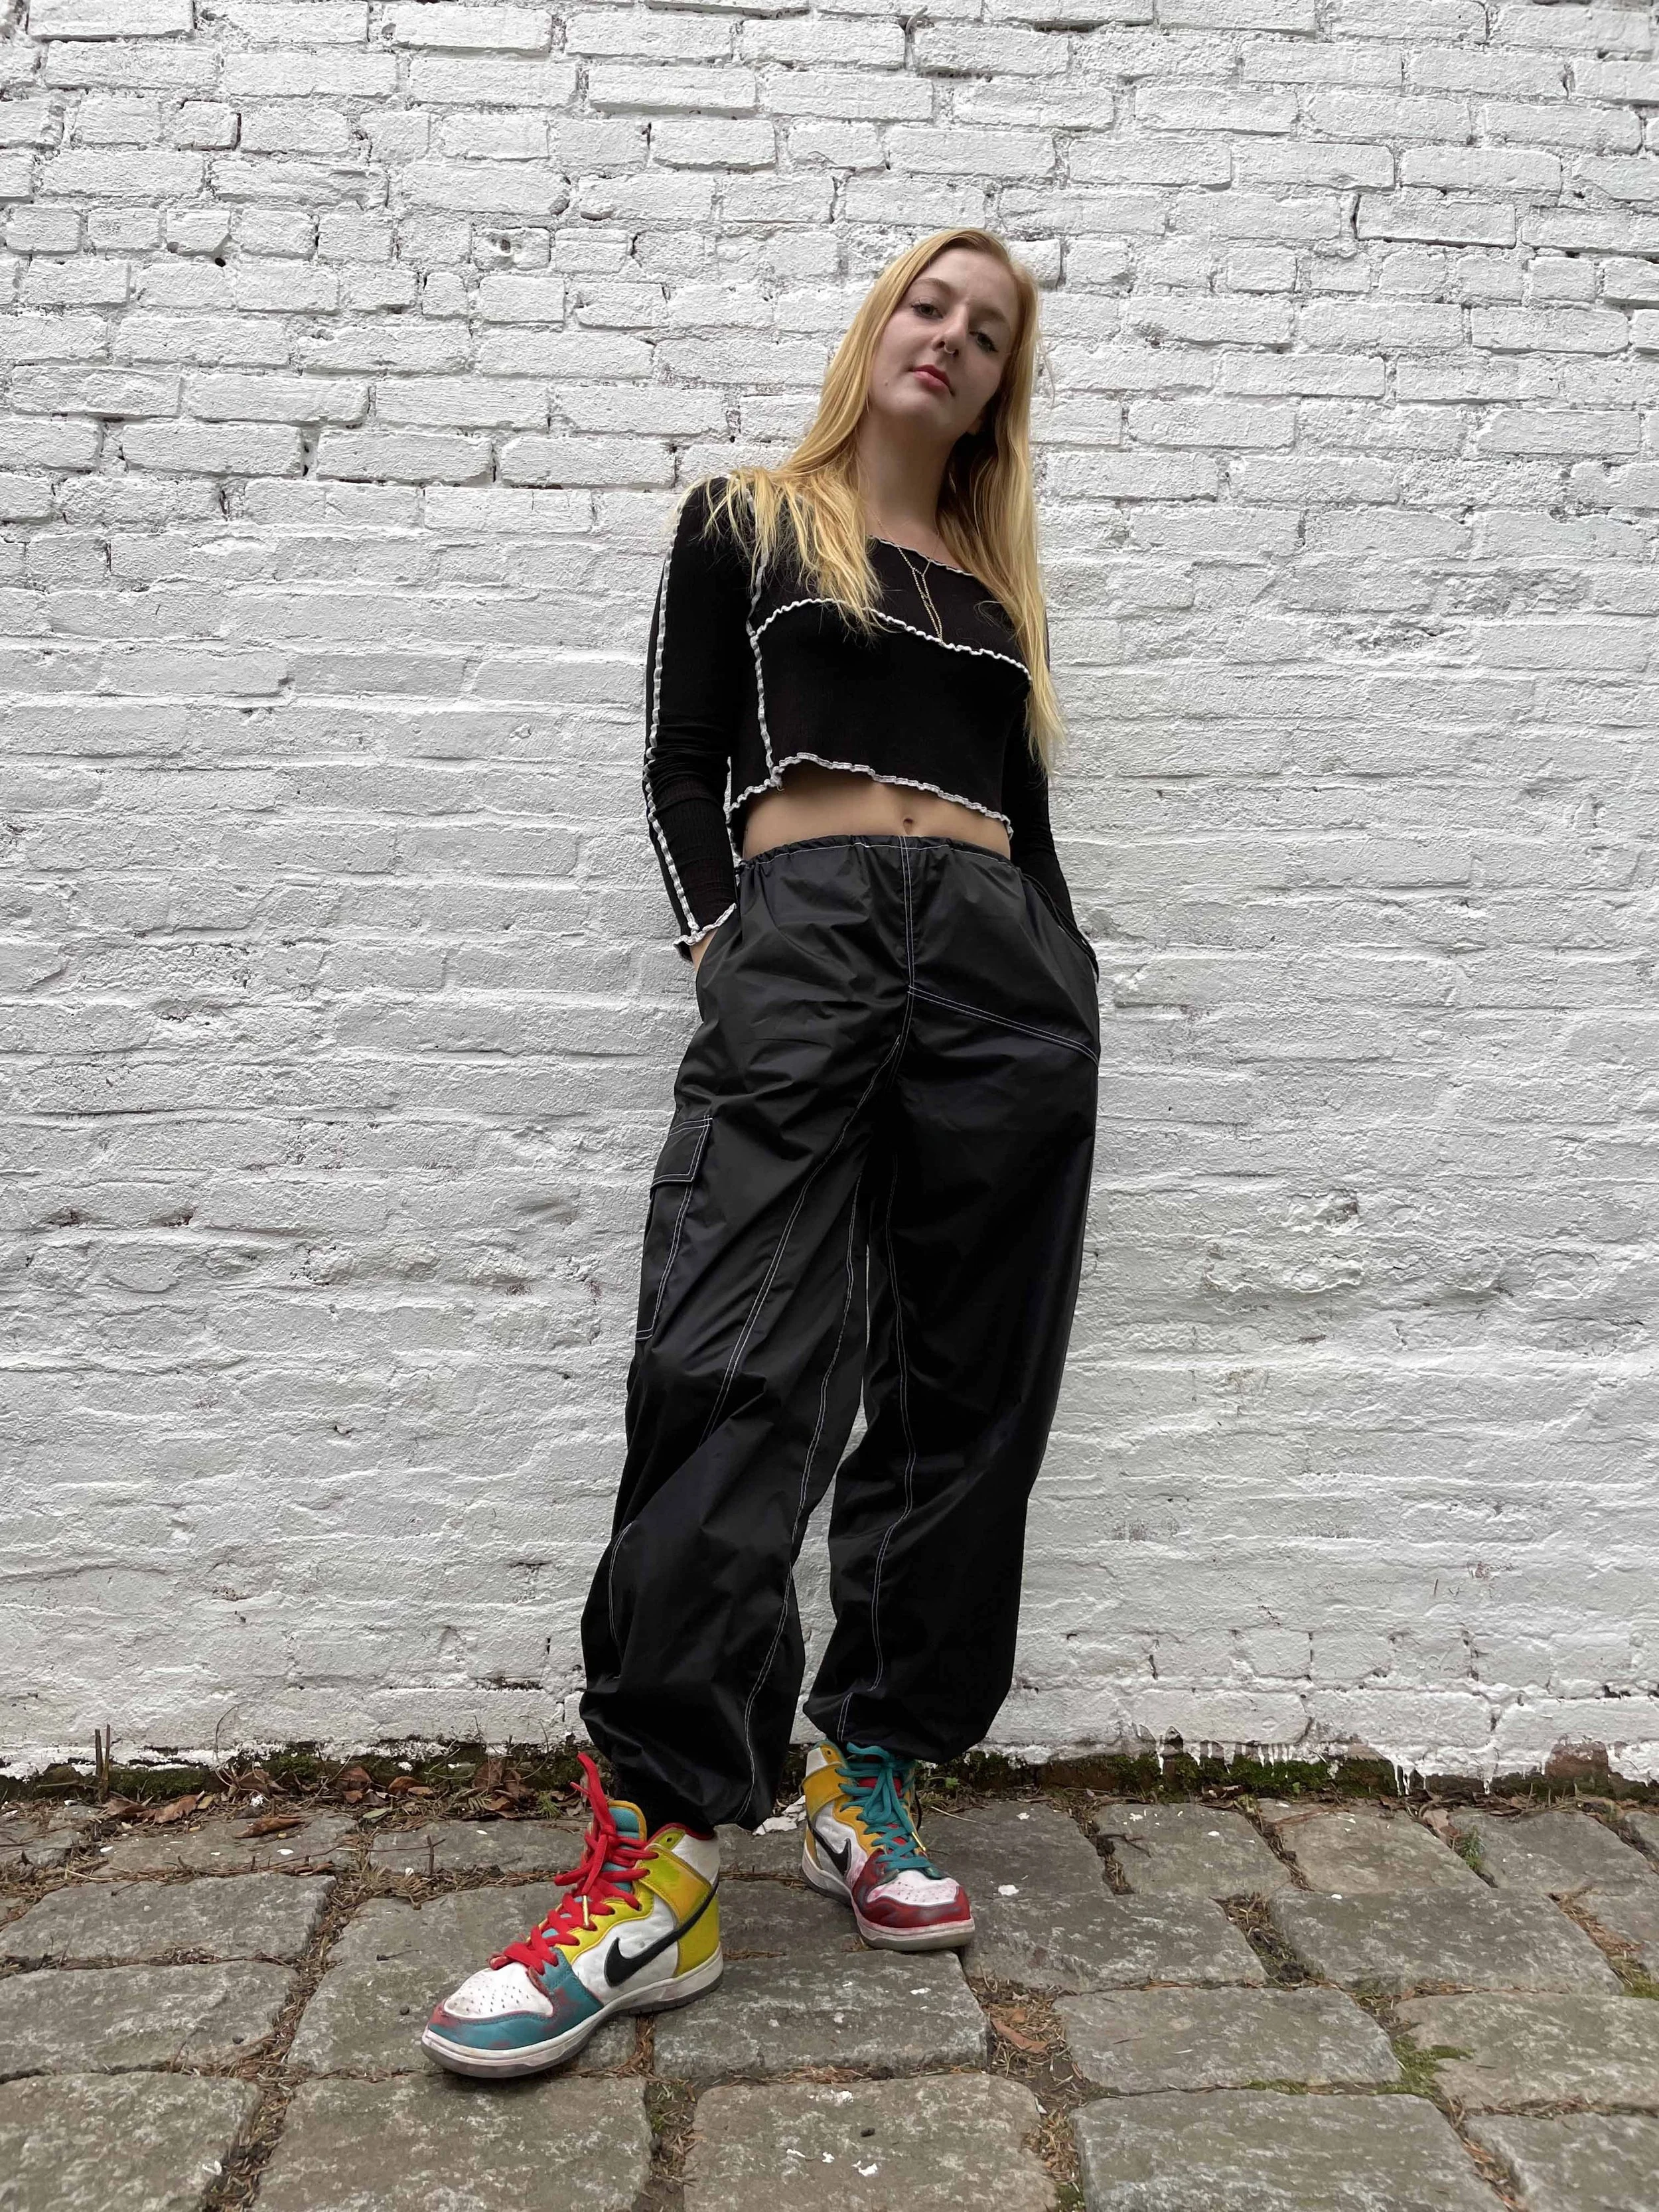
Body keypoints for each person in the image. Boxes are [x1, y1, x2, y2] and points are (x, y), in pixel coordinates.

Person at [421, 225, 1100, 2080]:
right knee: (729, 1355)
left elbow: (1024, 816)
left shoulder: (992, 576)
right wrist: (727, 941)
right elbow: (679, 760)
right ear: (879, 326)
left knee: (966, 1387)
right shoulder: (747, 517)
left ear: (998, 384)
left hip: (995, 967)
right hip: (801, 937)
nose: (948, 339)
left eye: (986, 332)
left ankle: (858, 1766)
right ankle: (656, 1854)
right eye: (926, 305)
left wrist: (1059, 972)